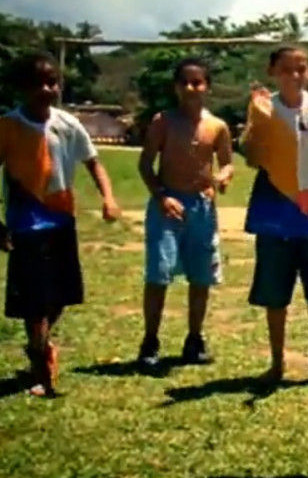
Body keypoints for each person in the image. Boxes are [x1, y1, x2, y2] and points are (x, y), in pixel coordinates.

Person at [0, 51, 121, 397]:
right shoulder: (8, 126)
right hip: (26, 225)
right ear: (21, 87)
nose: (46, 89)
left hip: (62, 222)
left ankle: (38, 342)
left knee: (62, 295)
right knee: (36, 299)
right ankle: (41, 368)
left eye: (52, 82)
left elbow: (93, 162)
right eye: (37, 83)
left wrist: (109, 198)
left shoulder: (67, 125)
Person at [240, 46, 308, 387]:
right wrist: (258, 123)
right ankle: (277, 363)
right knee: (276, 295)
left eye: (300, 69)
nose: (294, 76)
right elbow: (253, 159)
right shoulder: (263, 107)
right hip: (274, 209)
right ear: (273, 72)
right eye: (286, 70)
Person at [136, 58, 234, 369]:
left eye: (198, 82)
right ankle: (150, 341)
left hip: (202, 209)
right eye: (185, 82)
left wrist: (223, 177)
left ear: (208, 86)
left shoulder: (217, 126)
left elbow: (228, 162)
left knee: (201, 276)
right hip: (168, 206)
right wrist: (162, 197)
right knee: (159, 274)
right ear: (176, 87)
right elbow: (145, 164)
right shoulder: (163, 121)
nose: (191, 88)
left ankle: (195, 339)